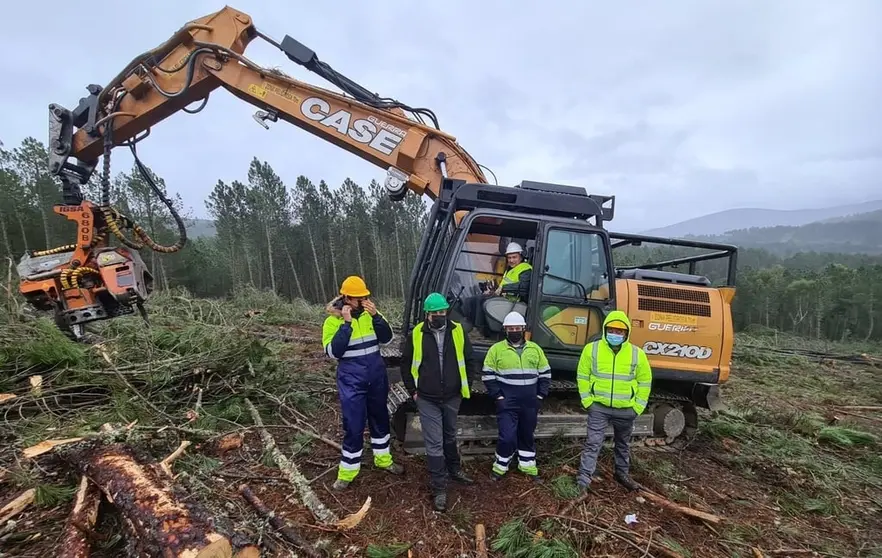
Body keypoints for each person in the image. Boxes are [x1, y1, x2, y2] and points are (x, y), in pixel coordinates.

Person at [322, 275, 404, 491]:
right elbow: (333, 352)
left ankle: (383, 460)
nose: (363, 300)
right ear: (347, 298)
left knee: (380, 418)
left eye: (365, 296)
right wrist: (347, 325)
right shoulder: (333, 321)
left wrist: (376, 316)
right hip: (352, 380)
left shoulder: (370, 315)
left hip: (376, 377)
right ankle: (347, 472)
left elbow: (387, 338)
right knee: (354, 425)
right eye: (359, 298)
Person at [400, 292, 477, 512]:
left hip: (453, 395)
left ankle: (455, 470)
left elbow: (469, 360)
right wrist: (413, 391)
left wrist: (466, 387)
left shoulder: (458, 331)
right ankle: (439, 488)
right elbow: (406, 364)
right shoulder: (417, 333)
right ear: (427, 314)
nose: (439, 316)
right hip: (427, 398)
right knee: (434, 442)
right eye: (435, 313)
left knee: (450, 434)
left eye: (443, 312)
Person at [574, 310, 652, 493]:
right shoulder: (591, 349)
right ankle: (583, 480)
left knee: (623, 444)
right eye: (612, 330)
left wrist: (637, 407)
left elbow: (645, 381)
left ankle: (622, 474)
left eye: (619, 331)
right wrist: (588, 402)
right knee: (593, 443)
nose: (615, 334)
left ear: (626, 333)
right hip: (599, 408)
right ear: (605, 329)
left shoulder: (637, 354)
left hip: (626, 410)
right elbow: (582, 376)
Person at [481, 311, 550, 481]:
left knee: (527, 434)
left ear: (523, 328)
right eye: (510, 328)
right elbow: (487, 375)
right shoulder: (496, 350)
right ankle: (500, 467)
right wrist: (498, 397)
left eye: (517, 328)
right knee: (507, 436)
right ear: (505, 330)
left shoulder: (535, 349)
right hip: (507, 402)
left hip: (529, 402)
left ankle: (527, 467)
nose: (514, 331)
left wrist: (540, 396)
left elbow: (545, 373)